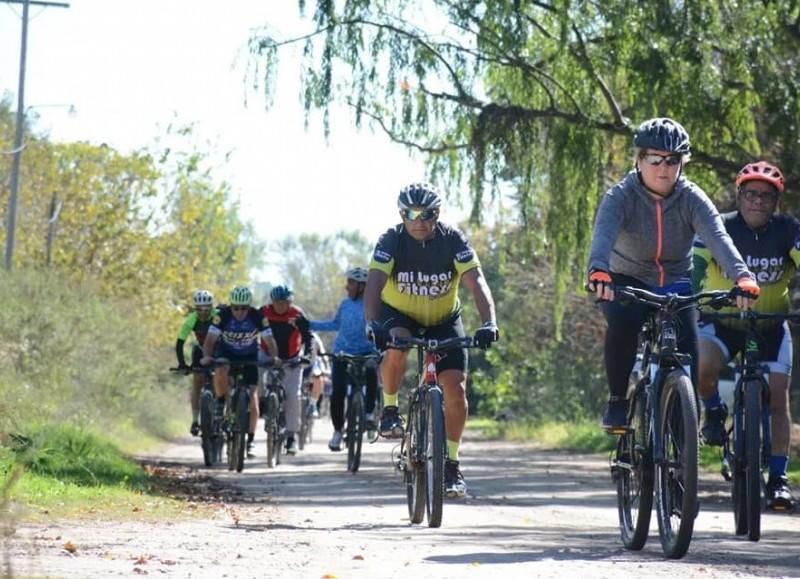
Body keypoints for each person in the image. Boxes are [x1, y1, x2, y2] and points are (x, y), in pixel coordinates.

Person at [587, 117, 760, 430]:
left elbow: (718, 238)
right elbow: (602, 237)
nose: (663, 168)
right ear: (639, 159)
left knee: (689, 360)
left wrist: (742, 276)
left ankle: (681, 452)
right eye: (654, 159)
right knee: (624, 324)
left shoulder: (691, 198)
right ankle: (617, 400)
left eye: (673, 160)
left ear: (683, 162)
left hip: (676, 282)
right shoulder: (620, 197)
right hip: (626, 279)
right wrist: (598, 270)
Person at [364, 183, 500, 499]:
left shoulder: (453, 240)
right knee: (397, 346)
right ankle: (389, 410)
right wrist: (371, 323)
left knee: (456, 388)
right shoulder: (391, 239)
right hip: (400, 315)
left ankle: (451, 464)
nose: (419, 221)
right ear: (402, 214)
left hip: (444, 320)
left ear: (436, 214)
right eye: (411, 214)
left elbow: (476, 282)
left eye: (426, 214)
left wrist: (489, 322)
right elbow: (373, 285)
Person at [693, 161, 798, 511]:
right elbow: (694, 265)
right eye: (750, 194)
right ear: (739, 196)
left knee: (779, 395)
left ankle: (779, 479)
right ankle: (712, 411)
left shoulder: (788, 229)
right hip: (722, 322)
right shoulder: (719, 227)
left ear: (776, 202)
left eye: (766, 196)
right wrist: (689, 298)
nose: (757, 201)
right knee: (703, 369)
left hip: (769, 325)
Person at [297, 267, 380, 452]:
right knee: (338, 391)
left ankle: (368, 414)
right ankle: (337, 431)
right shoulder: (345, 304)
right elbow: (335, 324)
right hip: (342, 352)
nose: (347, 286)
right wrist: (309, 324)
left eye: (350, 282)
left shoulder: (373, 304)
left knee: (372, 370)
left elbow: (380, 327)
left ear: (361, 286)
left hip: (366, 352)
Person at [200, 285, 270, 459]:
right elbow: (209, 340)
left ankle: (251, 440)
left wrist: (275, 357)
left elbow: (270, 339)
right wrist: (207, 356)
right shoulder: (221, 316)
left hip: (249, 355)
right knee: (220, 367)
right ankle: (221, 400)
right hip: (227, 352)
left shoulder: (257, 316)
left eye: (244, 308)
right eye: (236, 308)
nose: (239, 312)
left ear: (249, 306)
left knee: (253, 400)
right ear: (231, 306)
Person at [260, 284, 315, 455]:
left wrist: (307, 356)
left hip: (292, 358)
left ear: (290, 302)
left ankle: (291, 437)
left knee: (293, 396)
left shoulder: (297, 314)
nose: (282, 306)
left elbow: (309, 337)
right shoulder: (263, 312)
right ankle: (263, 406)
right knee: (257, 383)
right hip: (267, 356)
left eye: (285, 302)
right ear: (272, 301)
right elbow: (244, 320)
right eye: (278, 302)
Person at [175, 290, 219, 436]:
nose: (203, 312)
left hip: (219, 349)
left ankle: (224, 408)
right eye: (200, 309)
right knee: (197, 382)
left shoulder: (218, 315)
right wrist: (182, 364)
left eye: (207, 308)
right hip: (200, 350)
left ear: (212, 307)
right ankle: (195, 421)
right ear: (196, 308)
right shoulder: (192, 319)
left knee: (223, 377)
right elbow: (180, 343)